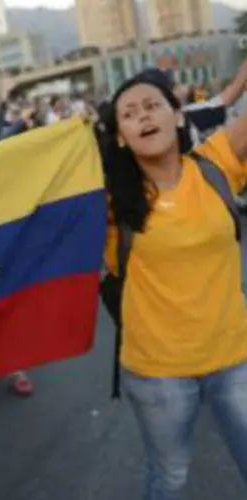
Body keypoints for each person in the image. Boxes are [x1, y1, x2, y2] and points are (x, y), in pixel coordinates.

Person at [104, 70, 247, 499]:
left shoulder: (215, 164)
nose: (143, 116)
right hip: (157, 374)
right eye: (128, 114)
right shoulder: (107, 203)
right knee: (169, 478)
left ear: (178, 116)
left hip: (236, 356)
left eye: (152, 105)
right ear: (122, 137)